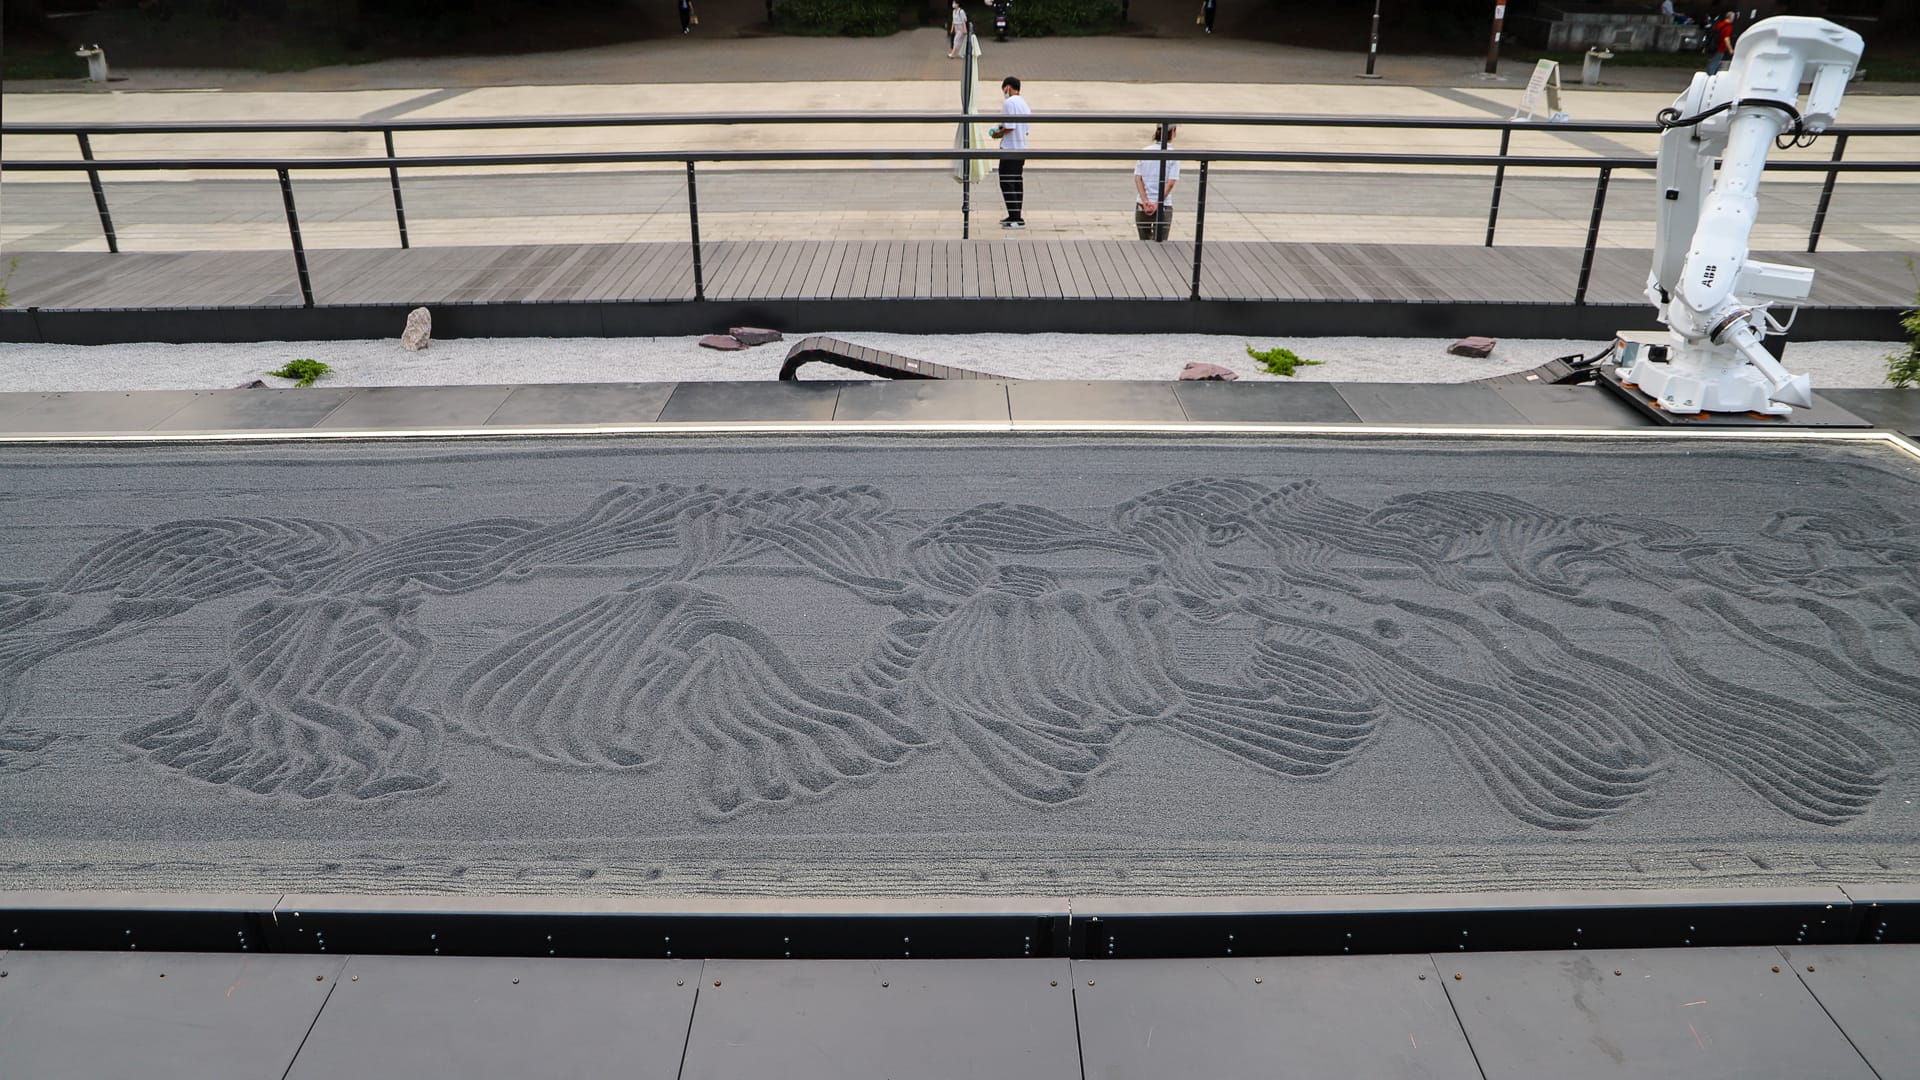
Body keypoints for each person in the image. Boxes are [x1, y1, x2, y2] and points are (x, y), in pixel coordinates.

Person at [988, 75, 1030, 229]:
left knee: (1006, 182)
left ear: (1007, 87)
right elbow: (1025, 131)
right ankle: (1015, 215)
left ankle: (1016, 218)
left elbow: (1009, 126)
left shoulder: (1009, 103)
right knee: (1017, 182)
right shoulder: (1024, 104)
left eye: (1004, 89)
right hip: (1022, 148)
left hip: (1010, 148)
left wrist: (996, 134)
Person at [1133, 125, 1180, 241]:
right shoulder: (1173, 155)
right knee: (1161, 244)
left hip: (1143, 204)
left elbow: (1138, 178)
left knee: (1144, 243)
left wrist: (1145, 201)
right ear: (1173, 132)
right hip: (1164, 205)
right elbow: (1170, 183)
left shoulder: (1145, 151)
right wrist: (1157, 203)